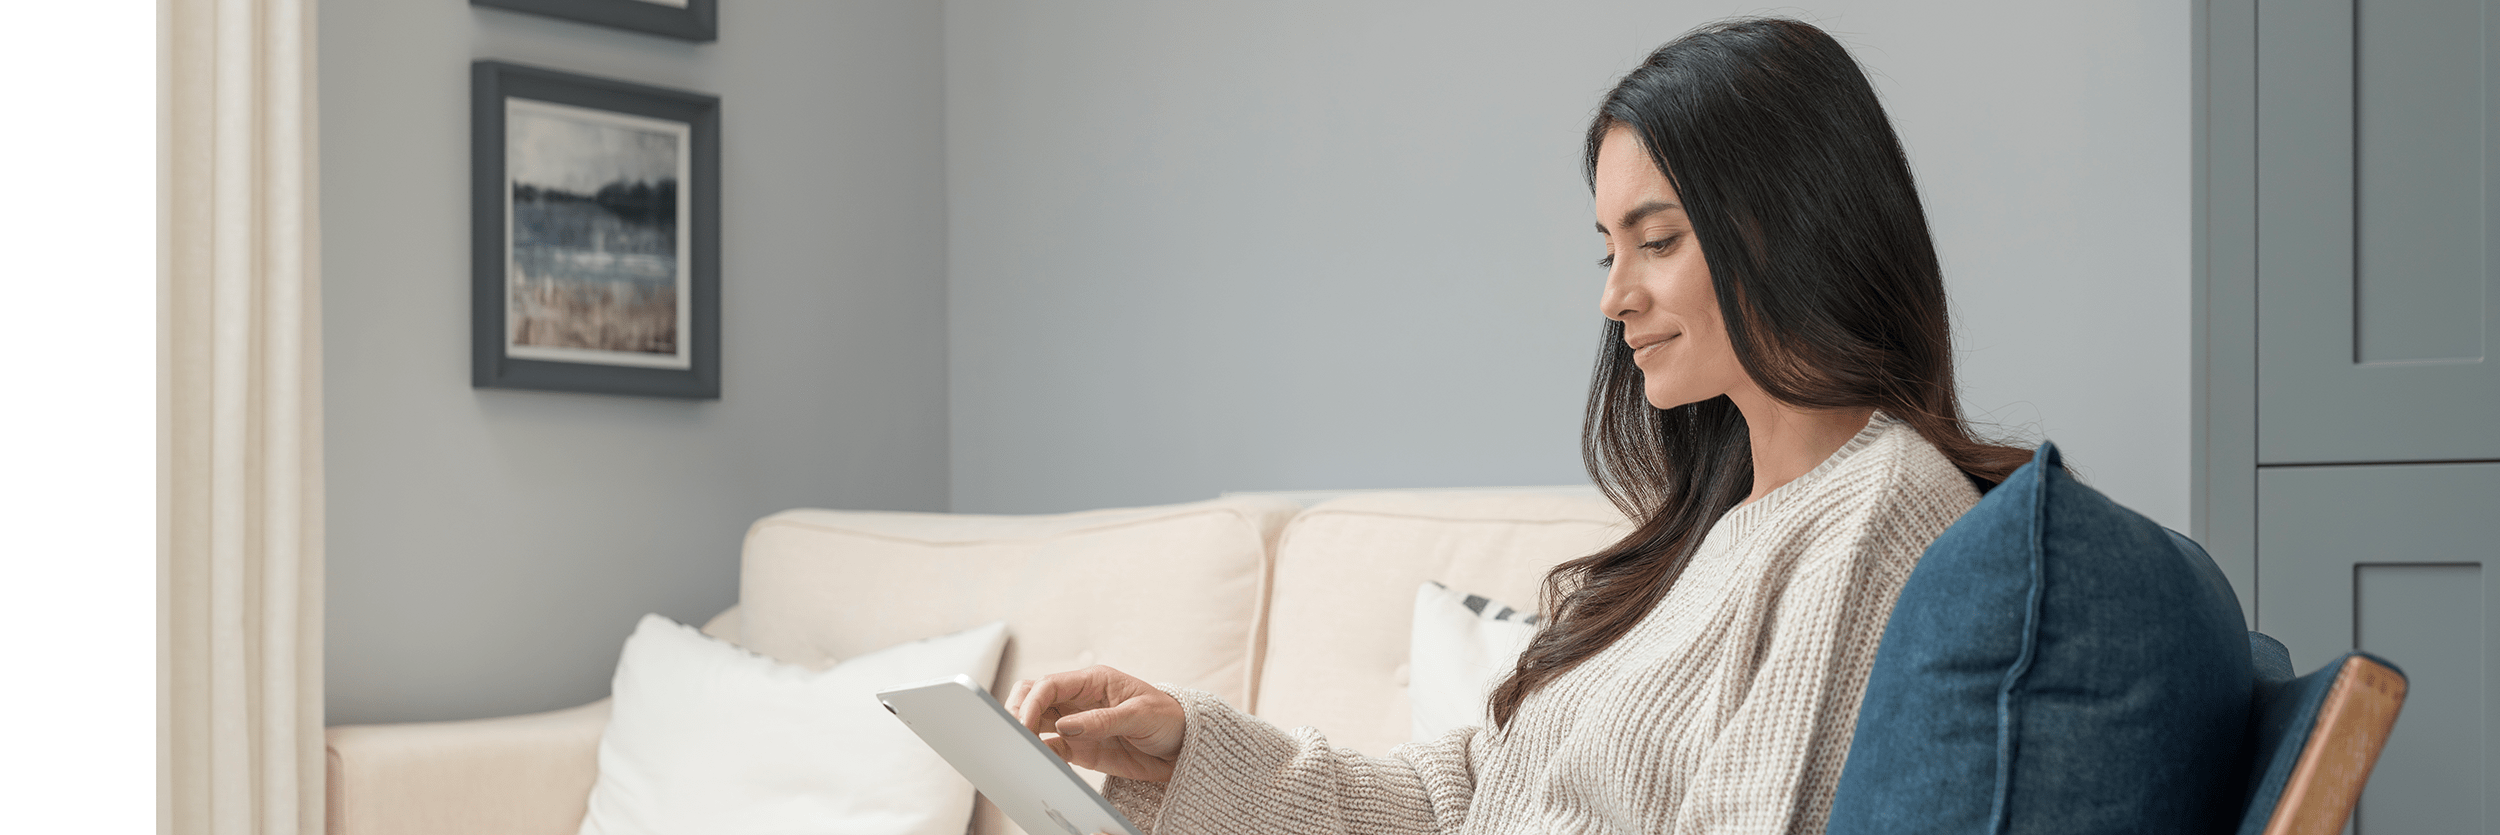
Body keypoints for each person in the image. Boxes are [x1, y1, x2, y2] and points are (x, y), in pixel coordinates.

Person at [1007, 16, 2032, 834]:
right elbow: (1469, 801)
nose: (1614, 297)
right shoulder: (1709, 530)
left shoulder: (1879, 514)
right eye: (1607, 252)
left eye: (1658, 240)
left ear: (1797, 226)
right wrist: (1188, 750)